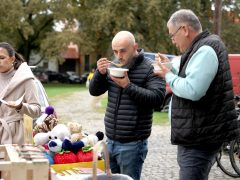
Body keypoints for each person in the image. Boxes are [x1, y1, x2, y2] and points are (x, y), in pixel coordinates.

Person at [154, 9, 239, 180]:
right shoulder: (202, 47)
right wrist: (170, 67)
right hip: (196, 136)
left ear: (184, 29)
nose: (173, 41)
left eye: (172, 35)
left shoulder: (206, 50)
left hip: (199, 140)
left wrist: (167, 75)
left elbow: (193, 90)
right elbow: (190, 77)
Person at [89, 31, 166, 180]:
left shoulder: (150, 68)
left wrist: (128, 86)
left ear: (135, 47)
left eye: (123, 50)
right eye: (115, 51)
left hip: (133, 145)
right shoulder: (114, 65)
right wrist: (100, 73)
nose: (118, 55)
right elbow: (94, 91)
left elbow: (157, 99)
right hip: (110, 141)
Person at [0, 42, 41, 145]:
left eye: (1, 57)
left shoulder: (25, 79)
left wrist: (20, 107)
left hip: (17, 136)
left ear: (12, 59)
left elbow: (37, 110)